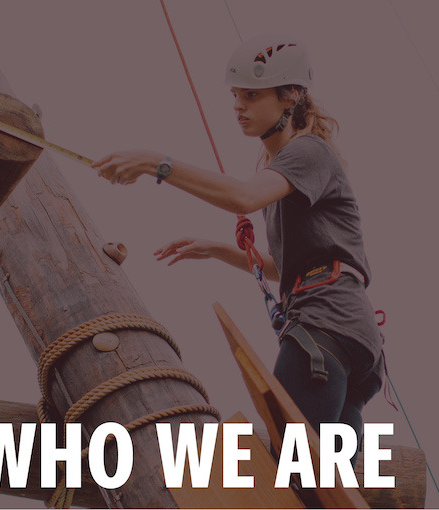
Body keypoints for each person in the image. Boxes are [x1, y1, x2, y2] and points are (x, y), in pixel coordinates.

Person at [92, 35, 384, 465]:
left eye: (251, 95)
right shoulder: (287, 172)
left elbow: (244, 198)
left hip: (325, 326)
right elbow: (288, 265)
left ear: (290, 98)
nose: (239, 106)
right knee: (317, 489)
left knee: (286, 474)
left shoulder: (307, 152)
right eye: (236, 96)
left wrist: (159, 163)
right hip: (350, 338)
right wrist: (219, 250)